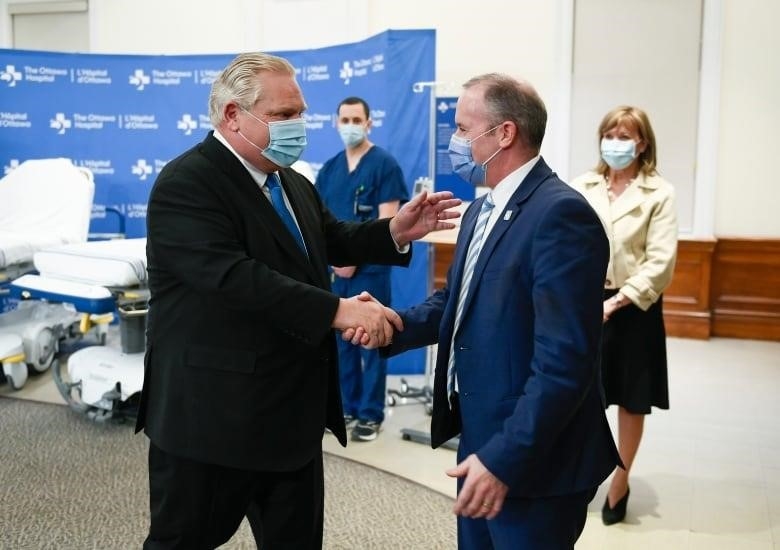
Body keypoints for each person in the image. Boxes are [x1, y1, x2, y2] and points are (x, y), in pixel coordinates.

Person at [135, 51, 461, 550]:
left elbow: (331, 238)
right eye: (284, 115)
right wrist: (340, 310)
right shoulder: (187, 184)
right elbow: (237, 279)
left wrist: (394, 230)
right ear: (232, 115)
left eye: (302, 112)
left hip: (290, 423)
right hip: (212, 421)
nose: (299, 126)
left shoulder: (291, 182)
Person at [351, 73, 622, 549]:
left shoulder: (561, 214)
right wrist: (393, 326)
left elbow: (565, 362)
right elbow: (458, 300)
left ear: (505, 133)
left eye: (461, 127)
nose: (454, 140)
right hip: (481, 440)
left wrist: (504, 457)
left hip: (532, 457)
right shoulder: (481, 209)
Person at [570, 105, 678, 526]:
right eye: (609, 134)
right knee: (582, 395)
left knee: (631, 401)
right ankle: (582, 474)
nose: (615, 143)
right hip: (585, 304)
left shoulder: (659, 192)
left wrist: (614, 303)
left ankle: (620, 478)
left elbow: (660, 263)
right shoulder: (583, 185)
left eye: (625, 135)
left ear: (642, 143)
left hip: (635, 309)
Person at [315, 96, 409, 442]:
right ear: (336, 123)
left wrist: (353, 260)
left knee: (373, 339)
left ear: (370, 123)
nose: (351, 126)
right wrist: (336, 261)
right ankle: (346, 408)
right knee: (341, 344)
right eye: (345, 120)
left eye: (357, 120)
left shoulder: (385, 165)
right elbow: (318, 224)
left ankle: (370, 414)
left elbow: (388, 225)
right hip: (335, 272)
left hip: (370, 272)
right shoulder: (328, 170)